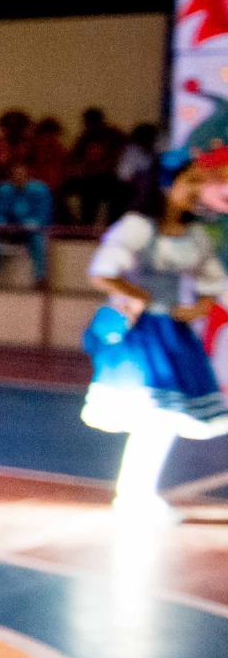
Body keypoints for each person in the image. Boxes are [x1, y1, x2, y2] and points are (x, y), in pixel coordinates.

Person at [82, 151, 228, 512]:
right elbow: (102, 272)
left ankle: (137, 493)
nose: (197, 189)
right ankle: (134, 495)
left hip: (172, 333)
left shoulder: (195, 236)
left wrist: (198, 307)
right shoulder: (138, 227)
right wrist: (136, 295)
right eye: (190, 180)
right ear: (165, 184)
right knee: (153, 414)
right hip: (140, 333)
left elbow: (213, 281)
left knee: (166, 417)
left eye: (200, 181)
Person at [0, 161, 54, 287]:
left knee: (39, 239)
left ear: (28, 175)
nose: (18, 177)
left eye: (21, 174)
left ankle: (41, 279)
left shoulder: (40, 190)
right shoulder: (3, 190)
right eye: (15, 175)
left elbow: (43, 217)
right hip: (8, 231)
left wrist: (28, 225)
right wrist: (2, 225)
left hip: (29, 232)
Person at [65, 107, 125, 226]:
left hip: (107, 178)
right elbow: (74, 159)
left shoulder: (113, 136)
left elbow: (119, 158)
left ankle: (93, 225)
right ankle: (84, 225)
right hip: (89, 177)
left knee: (98, 191)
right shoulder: (85, 137)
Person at [0, 110, 31, 194]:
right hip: (0, 188)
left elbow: (40, 170)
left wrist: (24, 174)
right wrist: (1, 162)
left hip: (28, 187)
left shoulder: (32, 145)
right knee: (5, 189)